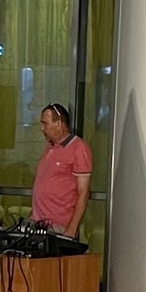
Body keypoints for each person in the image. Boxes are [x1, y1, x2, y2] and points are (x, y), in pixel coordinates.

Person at [30, 102, 91, 238]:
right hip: (38, 223)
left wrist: (72, 229)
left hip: (59, 226)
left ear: (58, 123)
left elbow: (83, 192)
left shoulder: (79, 148)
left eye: (45, 123)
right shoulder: (50, 147)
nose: (42, 128)